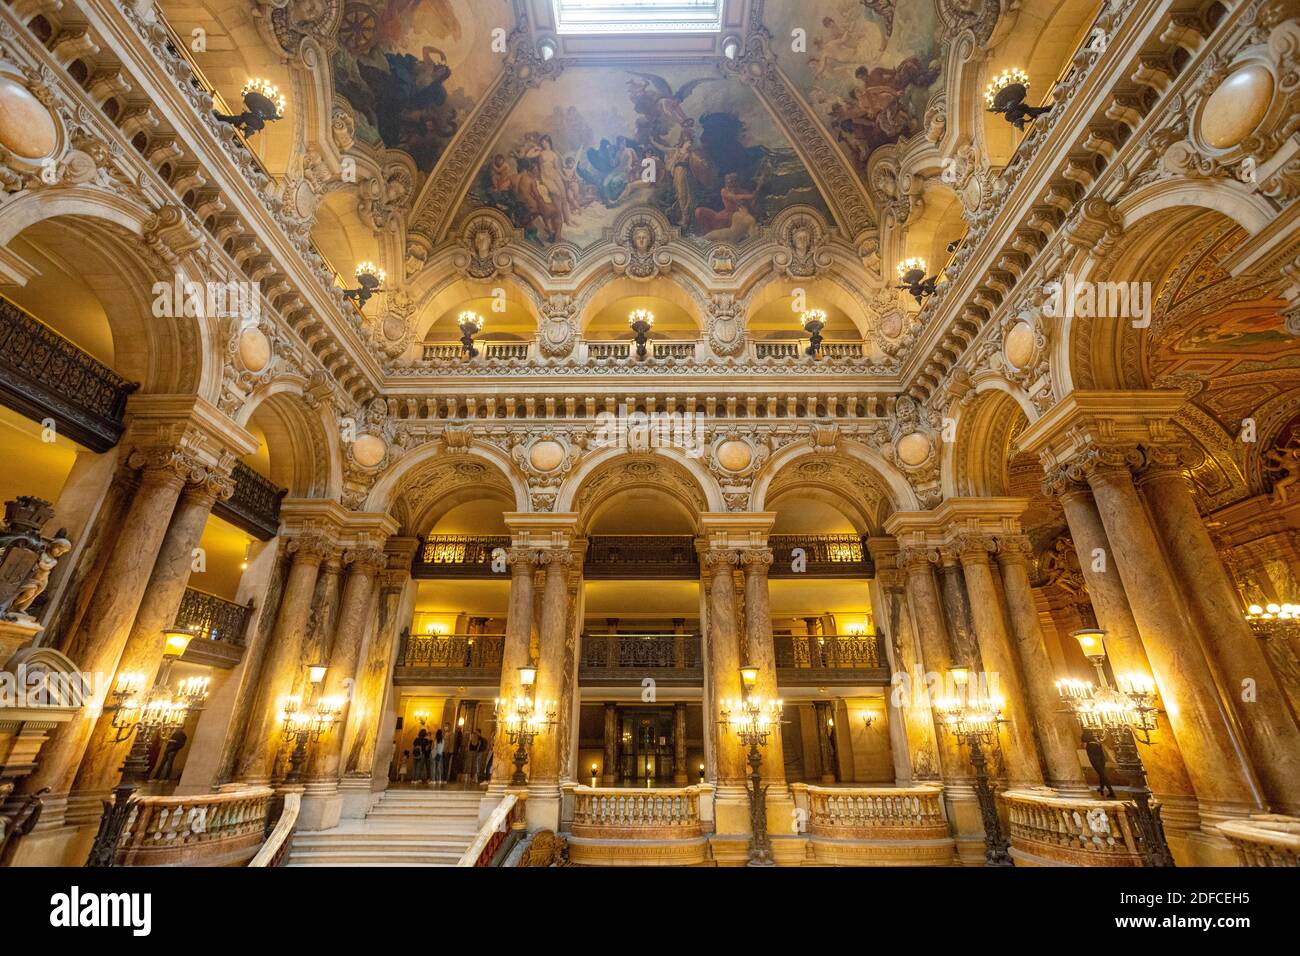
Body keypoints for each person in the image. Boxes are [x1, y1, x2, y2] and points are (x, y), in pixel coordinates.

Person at [1083, 729, 1116, 798]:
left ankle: (1112, 792)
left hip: (1095, 760)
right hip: (1101, 759)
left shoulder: (1087, 742)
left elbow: (1087, 750)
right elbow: (1101, 750)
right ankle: (1102, 788)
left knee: (1102, 775)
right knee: (1101, 774)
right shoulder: (1096, 741)